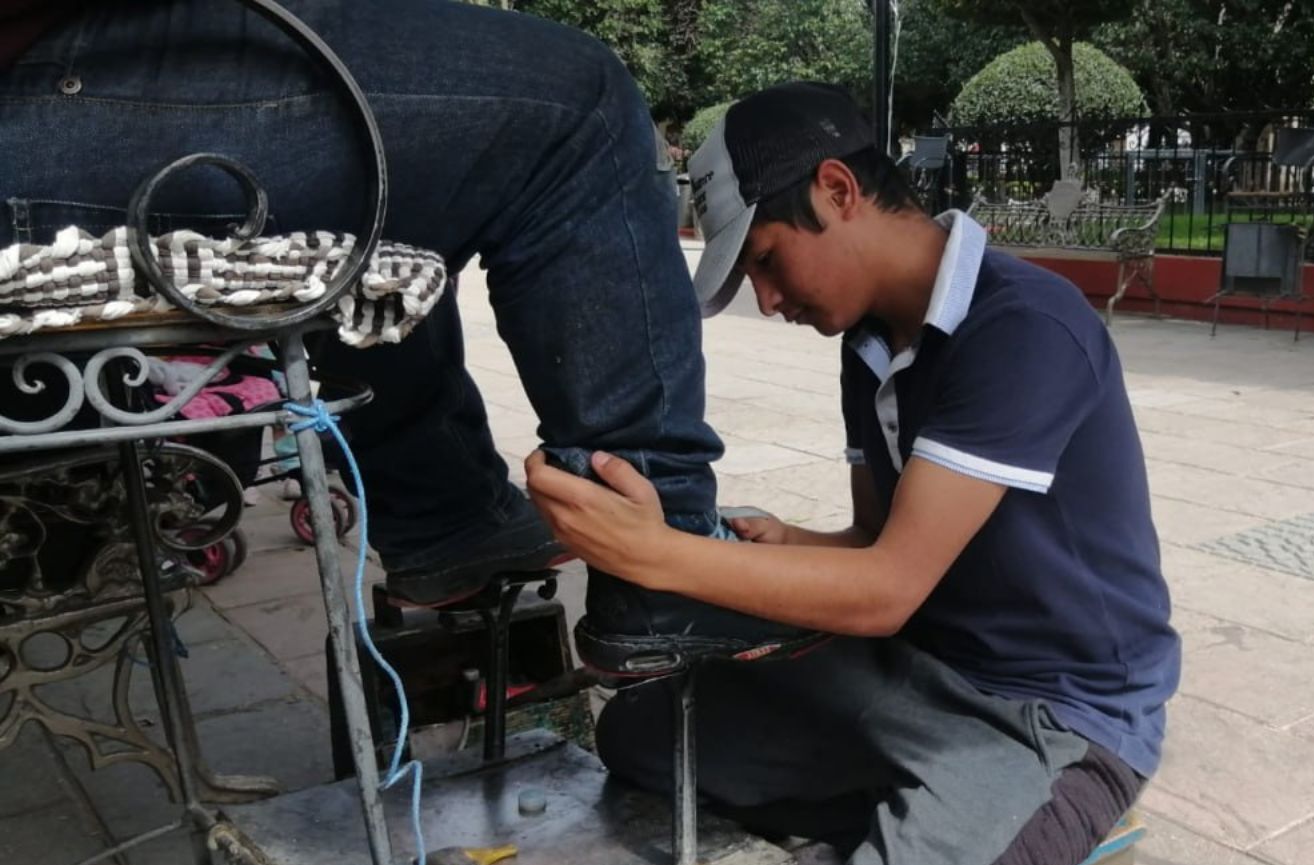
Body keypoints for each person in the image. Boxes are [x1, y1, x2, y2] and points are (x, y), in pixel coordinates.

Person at [526, 81, 1179, 865]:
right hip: (916, 673)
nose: (769, 301)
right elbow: (875, 541)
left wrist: (651, 552)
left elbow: (887, 588)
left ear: (837, 190)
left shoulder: (1024, 329)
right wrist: (788, 539)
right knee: (639, 736)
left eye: (765, 261)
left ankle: (938, 838)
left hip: (1051, 717)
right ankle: (904, 823)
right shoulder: (870, 344)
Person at [1, 0, 818, 664]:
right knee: (579, 107)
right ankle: (665, 569)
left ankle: (448, 514)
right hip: (41, 89)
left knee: (412, 148)